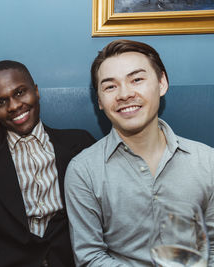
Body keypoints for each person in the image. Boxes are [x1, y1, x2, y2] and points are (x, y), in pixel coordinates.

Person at [65, 39, 214, 266]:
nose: (125, 94)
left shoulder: (207, 161)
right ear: (100, 101)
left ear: (162, 83)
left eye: (136, 79)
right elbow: (89, 257)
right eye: (110, 86)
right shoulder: (83, 171)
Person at [0, 60, 96, 267]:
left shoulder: (79, 144)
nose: (14, 106)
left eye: (20, 92)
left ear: (36, 91)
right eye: (1, 102)